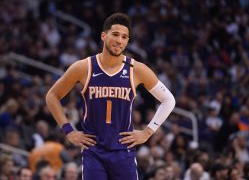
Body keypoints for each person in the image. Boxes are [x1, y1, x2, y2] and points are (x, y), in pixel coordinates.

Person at [46, 12, 175, 180]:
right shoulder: (84, 67)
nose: (119, 40)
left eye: (124, 37)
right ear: (103, 35)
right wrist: (68, 131)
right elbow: (52, 95)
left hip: (123, 150)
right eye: (115, 34)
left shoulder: (137, 69)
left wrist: (148, 132)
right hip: (94, 150)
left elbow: (169, 100)